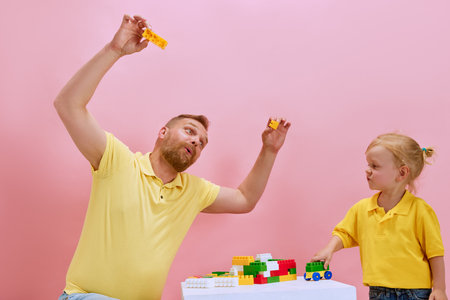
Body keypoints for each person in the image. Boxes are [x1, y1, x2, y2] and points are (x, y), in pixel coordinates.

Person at [54, 14, 291, 300]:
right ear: (162, 132)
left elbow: (245, 199)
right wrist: (113, 51)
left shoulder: (192, 191)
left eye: (203, 143)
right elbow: (68, 105)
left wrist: (269, 150)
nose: (196, 141)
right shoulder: (117, 161)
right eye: (190, 131)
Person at [311, 133, 447, 300]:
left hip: (416, 293)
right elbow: (344, 233)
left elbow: (435, 253)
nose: (367, 170)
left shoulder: (421, 211)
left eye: (375, 166)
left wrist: (439, 288)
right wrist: (329, 248)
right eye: (368, 164)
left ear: (402, 173)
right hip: (378, 292)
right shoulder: (361, 209)